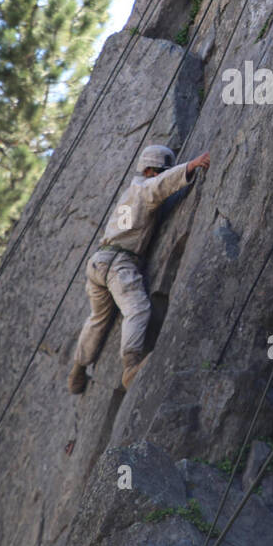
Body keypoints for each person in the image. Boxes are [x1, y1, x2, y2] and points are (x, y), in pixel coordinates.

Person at [68, 144, 210, 394]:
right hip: (118, 264)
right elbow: (159, 187)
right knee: (138, 309)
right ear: (149, 171)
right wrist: (189, 167)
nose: (159, 175)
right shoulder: (144, 189)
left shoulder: (129, 193)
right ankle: (130, 367)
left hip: (99, 261)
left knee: (98, 319)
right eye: (159, 171)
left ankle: (78, 368)